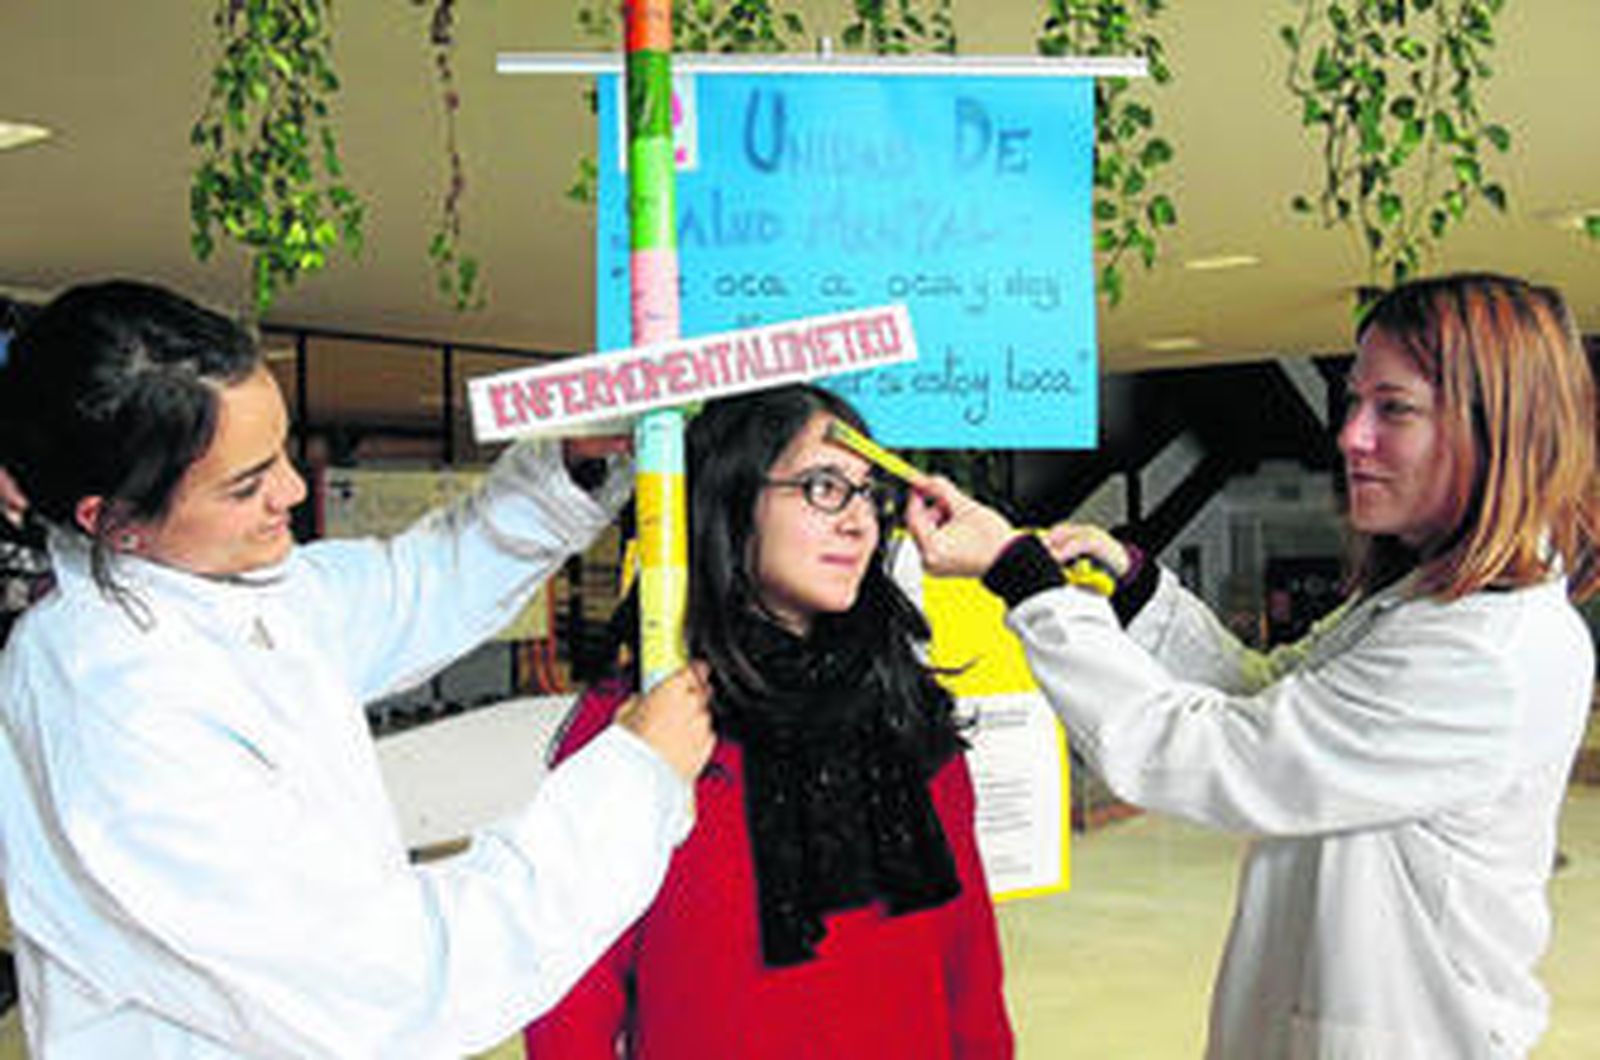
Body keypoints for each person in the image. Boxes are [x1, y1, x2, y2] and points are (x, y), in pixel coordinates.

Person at [0, 280, 714, 1057]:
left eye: (278, 453)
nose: (294, 491)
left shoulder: (218, 593)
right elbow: (401, 984)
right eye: (247, 485)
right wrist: (634, 781)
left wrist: (568, 470)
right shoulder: (121, 711)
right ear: (110, 520)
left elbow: (418, 589)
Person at [905, 272, 1600, 1059]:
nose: (1350, 437)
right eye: (1352, 402)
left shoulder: (1482, 653)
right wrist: (1139, 590)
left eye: (1393, 409)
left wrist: (1022, 581)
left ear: (1499, 430)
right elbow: (1270, 696)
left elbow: (1211, 758)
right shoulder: (1425, 605)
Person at [523, 385, 1013, 1059]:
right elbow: (570, 997)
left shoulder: (900, 700)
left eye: (869, 493)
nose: (859, 522)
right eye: (822, 487)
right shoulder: (646, 721)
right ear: (732, 501)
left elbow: (968, 959)